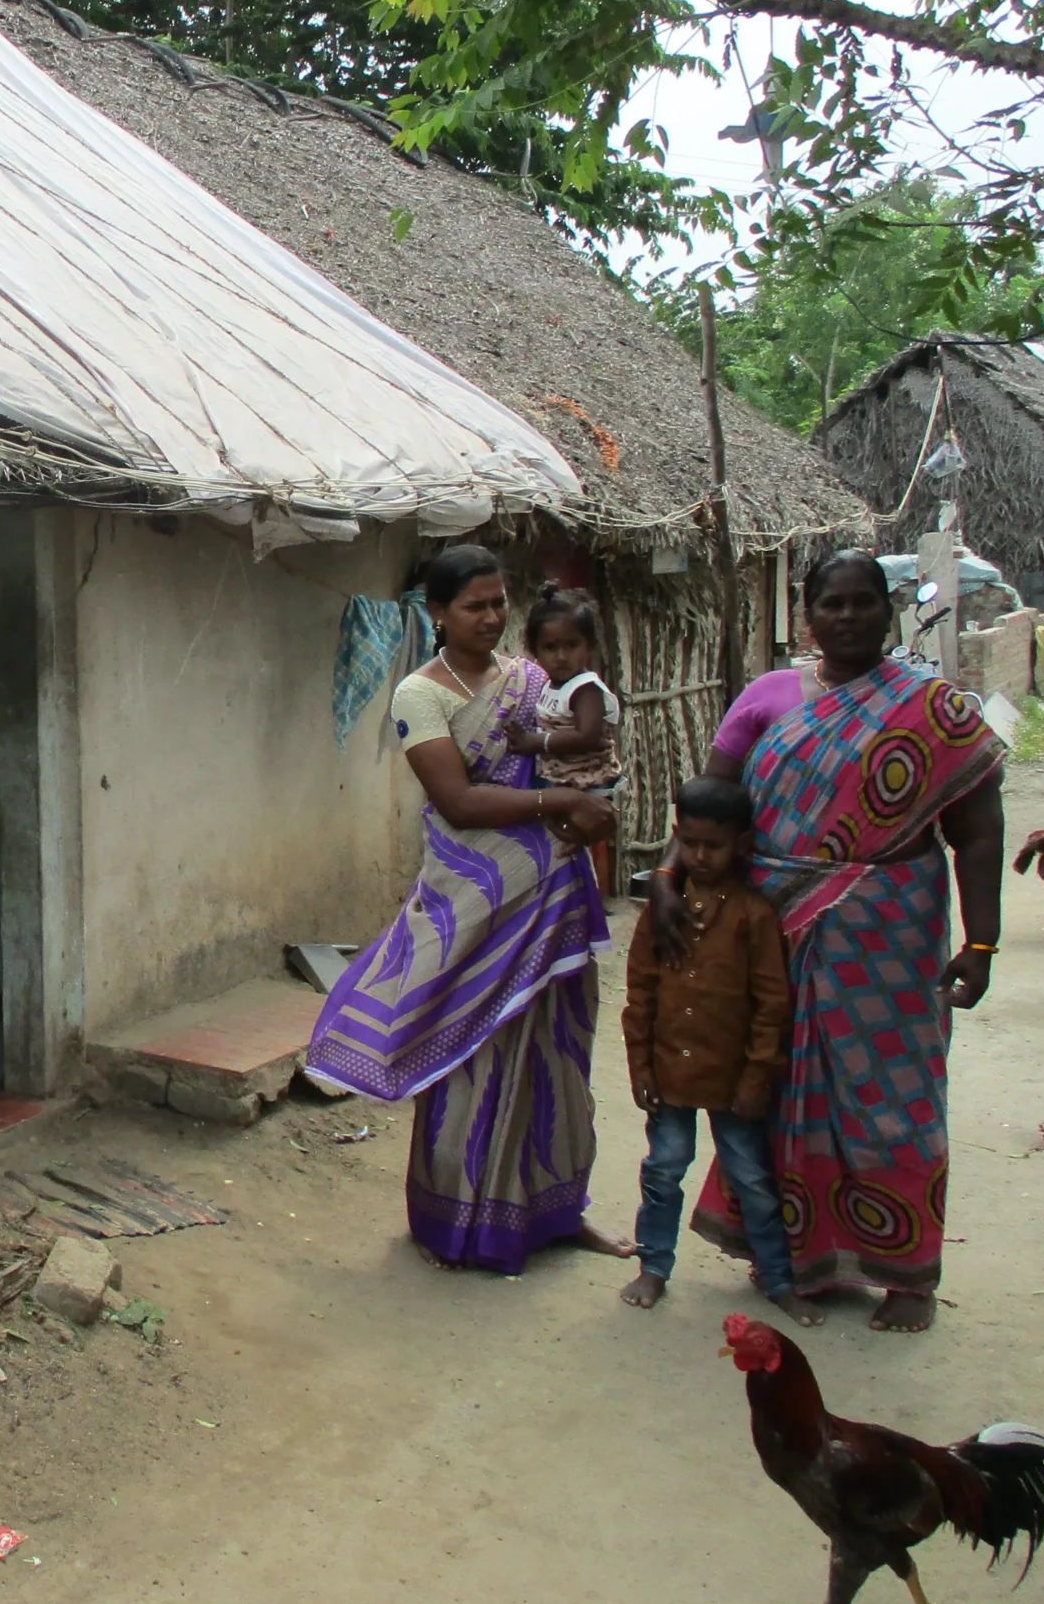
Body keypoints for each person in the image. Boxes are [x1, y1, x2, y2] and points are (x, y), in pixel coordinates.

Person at [653, 549, 1005, 1333]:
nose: (846, 617)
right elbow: (708, 811)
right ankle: (791, 1254)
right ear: (805, 615)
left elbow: (978, 835)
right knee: (771, 1086)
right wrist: (670, 881)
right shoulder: (769, 697)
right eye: (830, 604)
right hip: (772, 930)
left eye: (862, 602)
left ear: (889, 610)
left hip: (890, 934)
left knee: (893, 1098)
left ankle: (908, 1273)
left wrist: (982, 944)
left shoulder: (935, 711)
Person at [307, 544, 631, 1273]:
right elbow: (456, 799)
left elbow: (581, 749)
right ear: (437, 613)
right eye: (474, 606)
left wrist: (587, 803)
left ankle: (556, 1212)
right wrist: (561, 803)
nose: (491, 617)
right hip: (472, 904)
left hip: (550, 898)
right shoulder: (421, 694)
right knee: (470, 1054)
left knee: (554, 1057)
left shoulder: (529, 678)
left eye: (498, 603)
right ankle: (461, 1223)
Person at [618, 776, 817, 1326]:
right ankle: (653, 1265)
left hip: (733, 1079)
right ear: (677, 836)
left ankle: (778, 1278)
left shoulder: (754, 916)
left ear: (743, 846)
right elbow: (641, 994)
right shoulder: (661, 911)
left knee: (753, 1179)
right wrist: (640, 1065)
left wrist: (757, 1076)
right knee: (662, 1170)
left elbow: (772, 1003)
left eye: (716, 845)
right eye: (692, 843)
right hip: (669, 1071)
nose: (702, 856)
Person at [508, 583, 622, 799]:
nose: (561, 656)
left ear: (589, 645)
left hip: (590, 789)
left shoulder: (585, 690)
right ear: (535, 650)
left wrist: (536, 742)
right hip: (562, 785)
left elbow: (587, 736)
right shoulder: (548, 686)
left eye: (571, 645)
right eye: (550, 647)